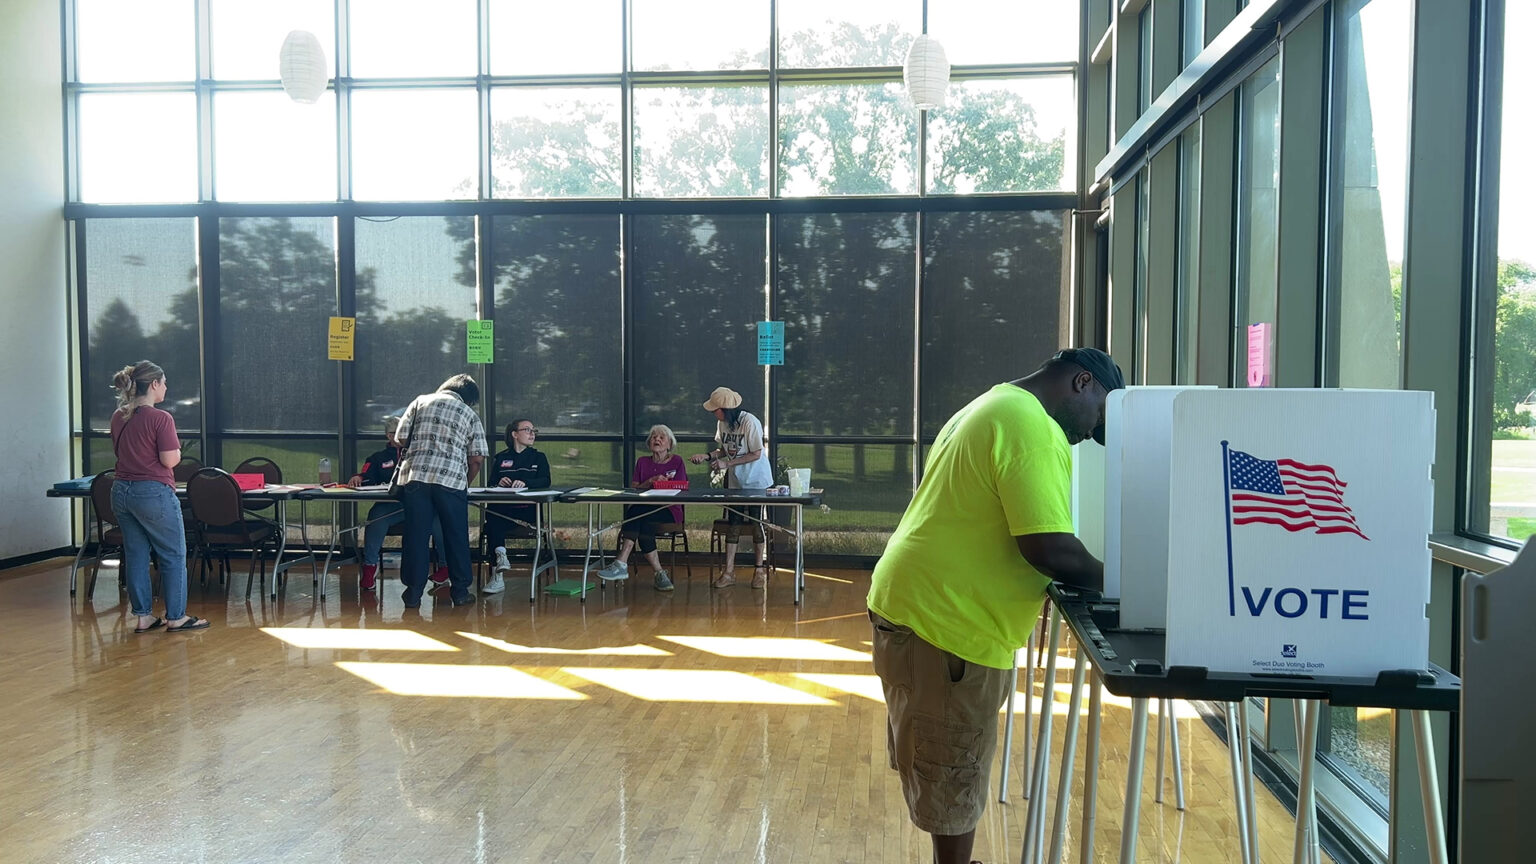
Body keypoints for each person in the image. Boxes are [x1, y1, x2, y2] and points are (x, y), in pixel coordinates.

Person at [866, 347, 1121, 864]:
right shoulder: (1030, 426)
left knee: (947, 762)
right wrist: (1125, 581)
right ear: (1082, 383)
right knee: (953, 767)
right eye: (1097, 419)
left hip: (919, 607)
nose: (1086, 436)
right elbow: (1048, 547)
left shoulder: (996, 403)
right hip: (946, 622)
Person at [108, 360, 210, 633]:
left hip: (121, 491)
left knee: (136, 554)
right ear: (154, 384)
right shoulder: (161, 418)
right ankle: (176, 616)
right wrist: (177, 454)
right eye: (164, 383)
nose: (166, 388)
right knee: (173, 554)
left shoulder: (119, 417)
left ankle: (143, 617)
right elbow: (168, 460)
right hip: (153, 492)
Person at [394, 373, 489, 609]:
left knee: (416, 536)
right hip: (452, 482)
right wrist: (464, 481)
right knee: (456, 536)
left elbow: (400, 438)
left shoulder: (420, 402)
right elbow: (476, 458)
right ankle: (460, 592)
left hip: (416, 478)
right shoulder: (469, 414)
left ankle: (413, 593)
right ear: (469, 399)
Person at [347, 416, 447, 592]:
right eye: (398, 433)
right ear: (388, 435)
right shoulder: (377, 458)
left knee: (439, 518)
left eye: (406, 433)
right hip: (393, 507)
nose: (403, 436)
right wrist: (359, 477)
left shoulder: (420, 453)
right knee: (376, 517)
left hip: (421, 505)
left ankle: (445, 566)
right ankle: (370, 566)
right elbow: (367, 477)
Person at [688, 386, 774, 589]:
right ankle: (729, 572)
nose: (713, 413)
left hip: (756, 482)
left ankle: (759, 570)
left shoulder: (750, 422)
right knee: (733, 522)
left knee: (756, 522)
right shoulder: (722, 424)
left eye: (715, 409)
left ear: (725, 409)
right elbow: (723, 449)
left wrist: (727, 464)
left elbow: (756, 453)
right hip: (736, 482)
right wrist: (707, 456)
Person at [595, 424, 688, 591]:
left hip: (668, 510)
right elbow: (635, 488)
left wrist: (664, 484)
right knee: (643, 522)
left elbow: (682, 487)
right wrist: (651, 481)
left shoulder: (677, 461)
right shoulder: (642, 462)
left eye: (661, 437)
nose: (657, 439)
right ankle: (659, 573)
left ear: (669, 444)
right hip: (646, 510)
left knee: (635, 513)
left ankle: (621, 563)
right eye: (653, 437)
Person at [484, 418, 552, 595]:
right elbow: (491, 484)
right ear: (514, 434)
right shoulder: (501, 458)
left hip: (528, 514)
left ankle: (499, 557)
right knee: (492, 514)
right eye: (527, 430)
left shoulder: (539, 457)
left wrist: (526, 482)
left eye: (533, 430)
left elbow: (546, 481)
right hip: (502, 512)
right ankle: (500, 563)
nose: (532, 434)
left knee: (493, 520)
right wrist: (500, 482)